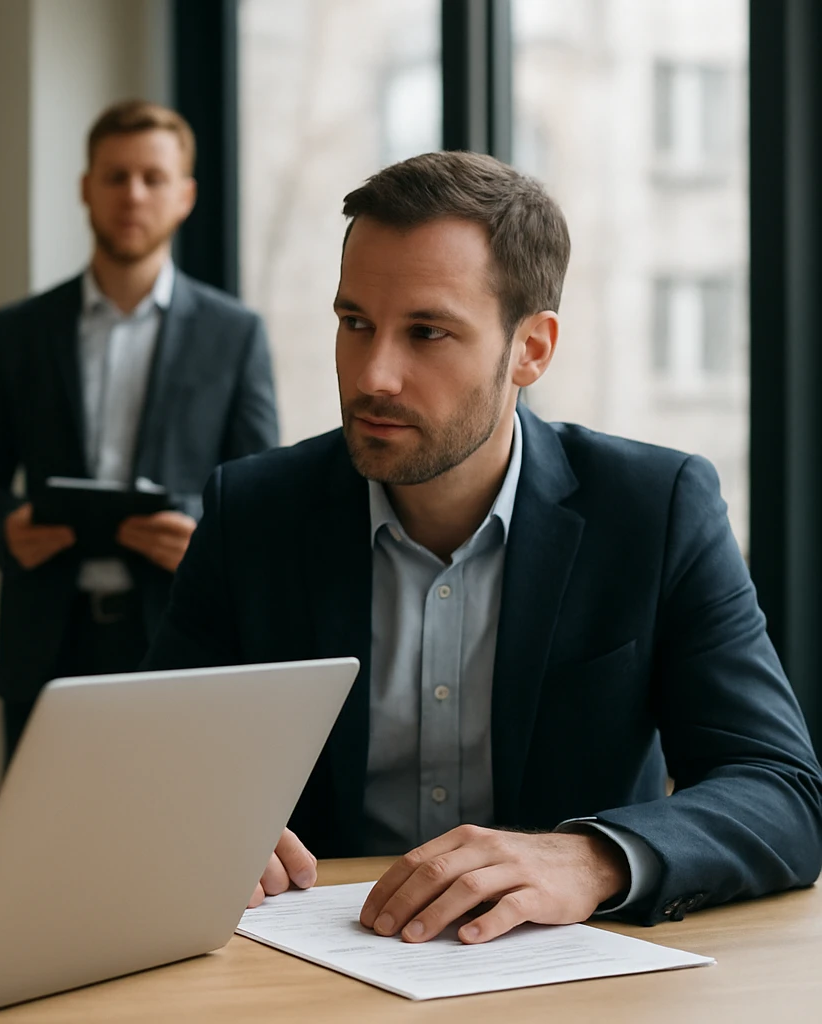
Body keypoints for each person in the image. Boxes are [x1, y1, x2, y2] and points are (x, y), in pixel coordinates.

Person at [144, 151, 822, 943]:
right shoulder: (251, 511)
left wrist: (592, 858)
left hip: (566, 976)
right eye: (354, 323)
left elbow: (781, 792)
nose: (374, 375)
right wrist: (202, 824)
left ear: (531, 349)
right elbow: (153, 767)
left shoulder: (655, 509)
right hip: (313, 968)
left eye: (427, 332)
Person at [0, 100, 279, 762]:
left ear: (184, 196)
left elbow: (263, 491)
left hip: (178, 636)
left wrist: (197, 531)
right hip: (45, 639)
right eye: (115, 176)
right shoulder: (20, 329)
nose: (133, 194)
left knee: (169, 848)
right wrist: (5, 527)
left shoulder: (233, 333)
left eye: (153, 178)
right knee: (41, 855)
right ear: (85, 188)